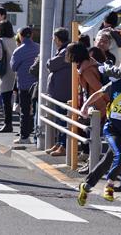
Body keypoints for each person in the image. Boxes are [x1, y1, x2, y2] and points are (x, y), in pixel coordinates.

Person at [77, 57, 121, 206]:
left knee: (107, 161)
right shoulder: (116, 85)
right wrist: (85, 106)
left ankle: (87, 185)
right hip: (112, 129)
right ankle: (109, 186)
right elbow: (99, 94)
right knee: (120, 155)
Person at [44, 28, 72, 157]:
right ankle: (59, 143)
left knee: (62, 119)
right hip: (61, 90)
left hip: (63, 92)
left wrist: (49, 62)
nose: (53, 41)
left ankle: (63, 145)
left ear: (59, 39)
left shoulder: (65, 51)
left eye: (54, 38)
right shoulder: (63, 50)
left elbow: (51, 64)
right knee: (60, 119)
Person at [10, 27, 40, 144]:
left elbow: (13, 67)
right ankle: (37, 136)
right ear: (31, 35)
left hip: (24, 84)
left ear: (20, 36)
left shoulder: (18, 51)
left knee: (25, 111)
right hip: (37, 85)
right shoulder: (39, 47)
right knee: (37, 111)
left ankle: (24, 137)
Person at [0, 20, 16, 133]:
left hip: (5, 73)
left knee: (6, 101)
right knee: (18, 101)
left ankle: (8, 124)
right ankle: (24, 127)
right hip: (16, 72)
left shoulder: (0, 41)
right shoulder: (15, 39)